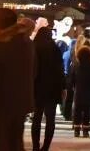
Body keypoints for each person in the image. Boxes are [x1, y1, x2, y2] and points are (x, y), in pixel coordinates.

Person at [0, 8, 35, 151]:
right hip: (21, 98)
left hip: (3, 98)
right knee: (16, 139)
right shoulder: (25, 41)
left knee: (2, 140)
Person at [32, 21, 65, 150]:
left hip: (37, 86)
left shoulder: (34, 47)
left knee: (37, 117)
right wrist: (63, 86)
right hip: (52, 88)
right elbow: (59, 69)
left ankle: (35, 146)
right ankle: (45, 146)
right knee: (50, 119)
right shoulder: (54, 49)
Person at [72, 47, 90, 137]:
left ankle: (76, 130)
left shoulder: (76, 65)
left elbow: (72, 78)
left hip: (78, 91)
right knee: (87, 111)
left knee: (77, 111)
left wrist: (73, 87)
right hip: (88, 91)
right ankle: (85, 130)